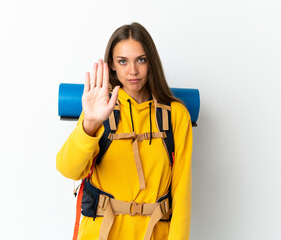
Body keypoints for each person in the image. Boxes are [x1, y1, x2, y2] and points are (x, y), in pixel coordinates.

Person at [56, 22, 193, 240]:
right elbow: (69, 170)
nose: (133, 71)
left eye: (141, 60)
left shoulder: (176, 115)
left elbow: (181, 191)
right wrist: (90, 123)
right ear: (112, 64)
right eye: (123, 61)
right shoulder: (100, 107)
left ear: (151, 62)